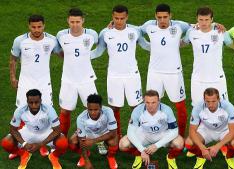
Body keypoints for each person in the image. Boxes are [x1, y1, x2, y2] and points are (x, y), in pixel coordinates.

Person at [91, 5, 150, 141]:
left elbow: (145, 45)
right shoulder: (105, 33)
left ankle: (135, 135)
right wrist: (80, 55)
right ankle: (116, 136)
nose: (119, 21)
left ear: (127, 17)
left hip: (132, 75)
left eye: (122, 18)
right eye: (116, 18)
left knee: (136, 107)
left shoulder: (135, 31)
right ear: (112, 17)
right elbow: (98, 52)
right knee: (114, 108)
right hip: (114, 76)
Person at [9, 14, 60, 159]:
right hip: (25, 82)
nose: (36, 29)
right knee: (20, 111)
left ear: (44, 25)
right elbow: (13, 59)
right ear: (29, 26)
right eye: (33, 27)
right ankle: (20, 146)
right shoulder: (20, 40)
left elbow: (63, 54)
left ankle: (43, 144)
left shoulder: (52, 40)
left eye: (39, 26)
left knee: (46, 112)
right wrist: (13, 77)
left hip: (44, 83)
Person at [140, 3, 190, 137]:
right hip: (154, 73)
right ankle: (153, 134)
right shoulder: (149, 26)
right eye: (159, 17)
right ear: (155, 16)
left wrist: (184, 42)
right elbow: (135, 31)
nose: (162, 20)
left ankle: (180, 136)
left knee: (180, 106)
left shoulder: (179, 26)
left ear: (170, 16)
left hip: (174, 73)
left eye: (165, 17)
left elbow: (197, 28)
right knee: (151, 105)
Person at [56, 8, 98, 136]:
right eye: (72, 21)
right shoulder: (61, 35)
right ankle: (61, 139)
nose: (75, 25)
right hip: (68, 80)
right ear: (68, 21)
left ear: (83, 21)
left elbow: (100, 45)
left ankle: (97, 139)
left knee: (94, 110)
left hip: (87, 80)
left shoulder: (91, 35)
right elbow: (58, 51)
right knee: (64, 111)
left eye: (77, 22)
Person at [0, 89, 68, 169]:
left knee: (63, 143)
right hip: (28, 132)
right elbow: (13, 130)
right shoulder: (20, 110)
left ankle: (53, 156)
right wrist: (24, 143)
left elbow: (57, 130)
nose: (34, 105)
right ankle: (23, 154)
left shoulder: (49, 110)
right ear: (27, 101)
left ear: (40, 100)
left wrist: (40, 144)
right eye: (31, 103)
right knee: (6, 142)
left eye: (36, 102)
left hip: (46, 133)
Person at [182, 7, 234, 106]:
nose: (203, 23)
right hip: (198, 79)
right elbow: (182, 43)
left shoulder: (221, 32)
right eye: (201, 19)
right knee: (197, 109)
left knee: (223, 107)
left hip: (217, 79)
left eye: (206, 20)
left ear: (212, 19)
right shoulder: (191, 32)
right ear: (197, 19)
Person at [119, 90, 184, 169]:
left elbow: (174, 131)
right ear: (144, 101)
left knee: (180, 143)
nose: (150, 105)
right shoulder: (137, 110)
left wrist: (157, 145)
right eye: (147, 102)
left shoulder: (167, 110)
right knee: (123, 144)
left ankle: (170, 158)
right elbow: (130, 132)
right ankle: (138, 155)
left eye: (153, 102)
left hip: (162, 134)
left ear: (159, 101)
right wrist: (142, 150)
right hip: (144, 134)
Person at [185, 88, 234, 169]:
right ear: (204, 99)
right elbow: (192, 131)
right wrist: (202, 148)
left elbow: (233, 132)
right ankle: (201, 156)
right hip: (206, 130)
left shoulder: (228, 107)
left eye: (213, 101)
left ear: (218, 99)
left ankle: (229, 157)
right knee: (188, 143)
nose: (210, 105)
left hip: (224, 130)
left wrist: (217, 146)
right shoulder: (198, 107)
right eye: (207, 101)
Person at [69, 94, 118, 169]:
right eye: (90, 110)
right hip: (88, 133)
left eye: (96, 110)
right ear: (87, 108)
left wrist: (93, 141)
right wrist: (87, 161)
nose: (93, 112)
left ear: (101, 107)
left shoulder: (108, 111)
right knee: (72, 141)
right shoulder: (81, 118)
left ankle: (110, 157)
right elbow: (81, 140)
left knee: (113, 141)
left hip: (104, 132)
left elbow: (113, 132)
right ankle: (85, 155)